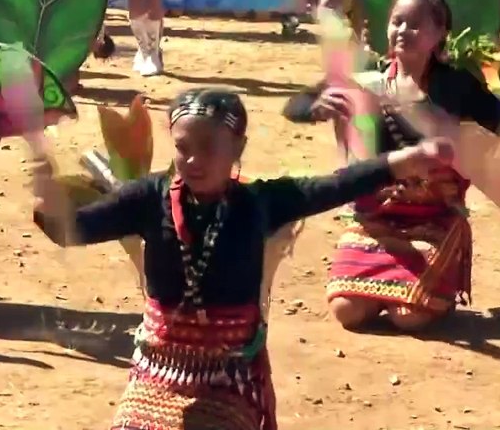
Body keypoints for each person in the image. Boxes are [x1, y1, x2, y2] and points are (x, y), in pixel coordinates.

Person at [32, 87, 453, 430]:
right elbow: (74, 231)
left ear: (238, 147)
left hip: (229, 375)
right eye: (182, 148)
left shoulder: (259, 203)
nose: (193, 160)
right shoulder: (148, 198)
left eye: (208, 147)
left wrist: (404, 161)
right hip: (158, 368)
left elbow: (335, 185)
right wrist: (49, 208)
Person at [288, 0, 500, 333]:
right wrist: (315, 107)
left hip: (433, 218)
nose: (402, 30)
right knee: (348, 312)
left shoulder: (456, 85)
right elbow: (294, 106)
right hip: (376, 218)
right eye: (397, 22)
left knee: (408, 317)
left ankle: (443, 287)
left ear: (440, 33)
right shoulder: (366, 81)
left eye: (415, 24)